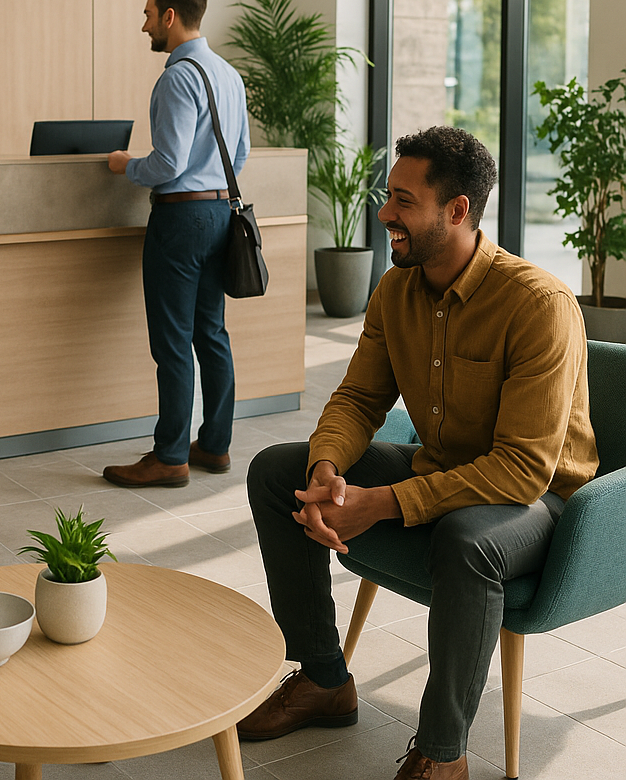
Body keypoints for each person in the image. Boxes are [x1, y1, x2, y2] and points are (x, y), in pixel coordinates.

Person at [241, 126, 599, 780]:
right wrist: (328, 470)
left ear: (457, 211)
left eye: (403, 201)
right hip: (442, 469)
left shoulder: (537, 304)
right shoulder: (395, 291)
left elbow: (521, 469)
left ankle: (442, 754)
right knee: (276, 473)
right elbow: (357, 399)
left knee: (466, 540)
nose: (384, 214)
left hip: (540, 502)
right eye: (388, 196)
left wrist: (381, 503)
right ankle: (323, 678)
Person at [103, 0, 250, 488]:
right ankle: (214, 444)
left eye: (148, 13)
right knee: (211, 333)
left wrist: (127, 165)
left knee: (171, 341)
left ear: (169, 16)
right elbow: (242, 154)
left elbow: (168, 162)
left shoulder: (176, 77)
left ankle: (169, 456)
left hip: (180, 218)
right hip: (220, 216)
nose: (144, 23)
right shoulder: (229, 76)